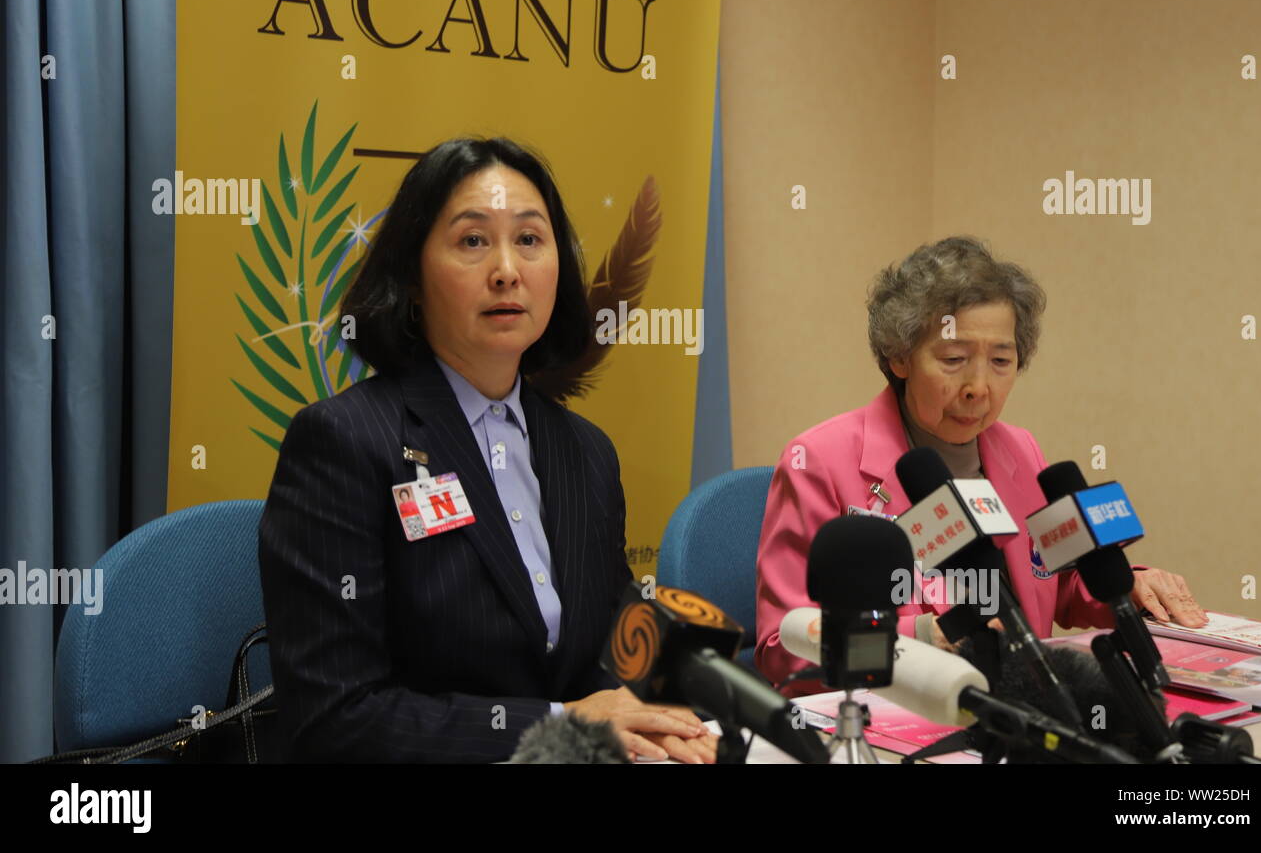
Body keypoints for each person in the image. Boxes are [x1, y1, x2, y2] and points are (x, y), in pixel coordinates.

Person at [259, 136, 716, 762]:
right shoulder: (344, 443)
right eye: (473, 241)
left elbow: (615, 640)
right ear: (412, 279)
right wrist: (565, 722)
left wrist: (676, 711)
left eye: (530, 239)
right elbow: (337, 718)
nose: (508, 269)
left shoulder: (585, 451)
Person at [754, 236, 1206, 690]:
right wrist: (927, 638)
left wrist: (1128, 588)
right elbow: (784, 648)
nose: (978, 386)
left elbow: (1057, 582)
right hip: (890, 717)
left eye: (1001, 361)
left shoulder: (1020, 450)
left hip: (1019, 712)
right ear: (900, 356)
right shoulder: (820, 461)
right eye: (953, 359)